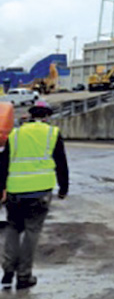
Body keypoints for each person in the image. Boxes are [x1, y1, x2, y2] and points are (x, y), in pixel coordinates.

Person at [0, 99, 69, 291]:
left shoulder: (15, 134)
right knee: (31, 232)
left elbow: (3, 163)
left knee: (13, 229)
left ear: (31, 115)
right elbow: (61, 162)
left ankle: (7, 273)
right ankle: (24, 276)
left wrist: (1, 188)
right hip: (40, 192)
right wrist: (64, 188)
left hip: (15, 190)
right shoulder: (52, 134)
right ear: (47, 116)